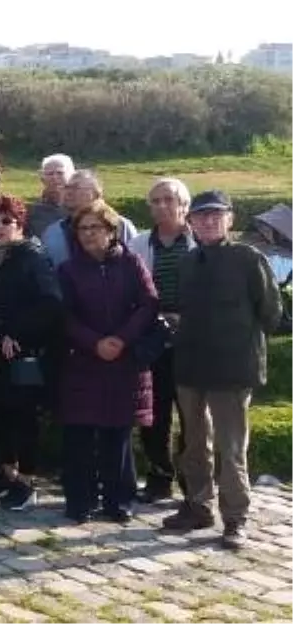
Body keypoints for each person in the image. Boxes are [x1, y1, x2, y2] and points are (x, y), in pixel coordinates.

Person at [162, 190, 283, 550]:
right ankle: (198, 506)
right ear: (191, 223)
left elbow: (271, 314)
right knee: (194, 444)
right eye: (202, 217)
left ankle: (236, 518)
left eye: (217, 215)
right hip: (191, 365)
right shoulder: (188, 261)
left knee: (231, 449)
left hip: (232, 367)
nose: (209, 221)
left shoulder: (248, 258)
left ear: (229, 219)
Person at [57, 200, 158, 524]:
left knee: (118, 435)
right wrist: (94, 342)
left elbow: (148, 303)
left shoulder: (131, 263)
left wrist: (122, 339)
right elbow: (64, 316)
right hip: (83, 360)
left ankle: (119, 500)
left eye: (95, 228)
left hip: (122, 361)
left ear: (112, 231)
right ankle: (80, 501)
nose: (88, 234)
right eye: (82, 229)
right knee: (80, 435)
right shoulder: (68, 270)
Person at [0, 195, 63, 512]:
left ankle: (26, 481)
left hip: (20, 353)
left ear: (19, 224)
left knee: (23, 418)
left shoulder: (32, 257)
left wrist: (18, 334)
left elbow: (50, 303)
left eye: (6, 221)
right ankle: (6, 473)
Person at [128, 178, 196, 503]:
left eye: (168, 199)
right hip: (153, 337)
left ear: (184, 205)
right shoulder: (140, 244)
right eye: (155, 201)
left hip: (192, 337)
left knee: (192, 414)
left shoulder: (198, 243)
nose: (161, 206)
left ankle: (191, 479)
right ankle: (159, 477)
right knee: (154, 414)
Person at [42, 169, 138, 269]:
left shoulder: (120, 225)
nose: (68, 192)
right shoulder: (53, 232)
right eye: (66, 187)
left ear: (95, 194)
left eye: (75, 188)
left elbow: (134, 261)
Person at [27, 154, 75, 239]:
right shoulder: (32, 212)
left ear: (71, 176)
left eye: (60, 173)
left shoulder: (81, 208)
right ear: (42, 179)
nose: (55, 177)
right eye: (50, 174)